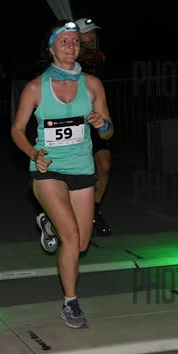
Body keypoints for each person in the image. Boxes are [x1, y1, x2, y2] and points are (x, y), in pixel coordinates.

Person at [11, 20, 114, 328]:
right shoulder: (36, 87)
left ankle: (48, 223)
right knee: (71, 237)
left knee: (80, 244)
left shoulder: (93, 85)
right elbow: (17, 130)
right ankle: (70, 303)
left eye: (75, 42)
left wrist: (102, 125)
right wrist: (34, 154)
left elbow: (108, 133)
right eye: (64, 41)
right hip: (48, 169)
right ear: (51, 48)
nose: (71, 46)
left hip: (82, 169)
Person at [75, 17, 111, 236]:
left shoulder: (99, 58)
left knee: (104, 166)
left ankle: (94, 211)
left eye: (93, 33)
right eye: (87, 33)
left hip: (96, 118)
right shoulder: (69, 58)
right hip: (74, 122)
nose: (92, 36)